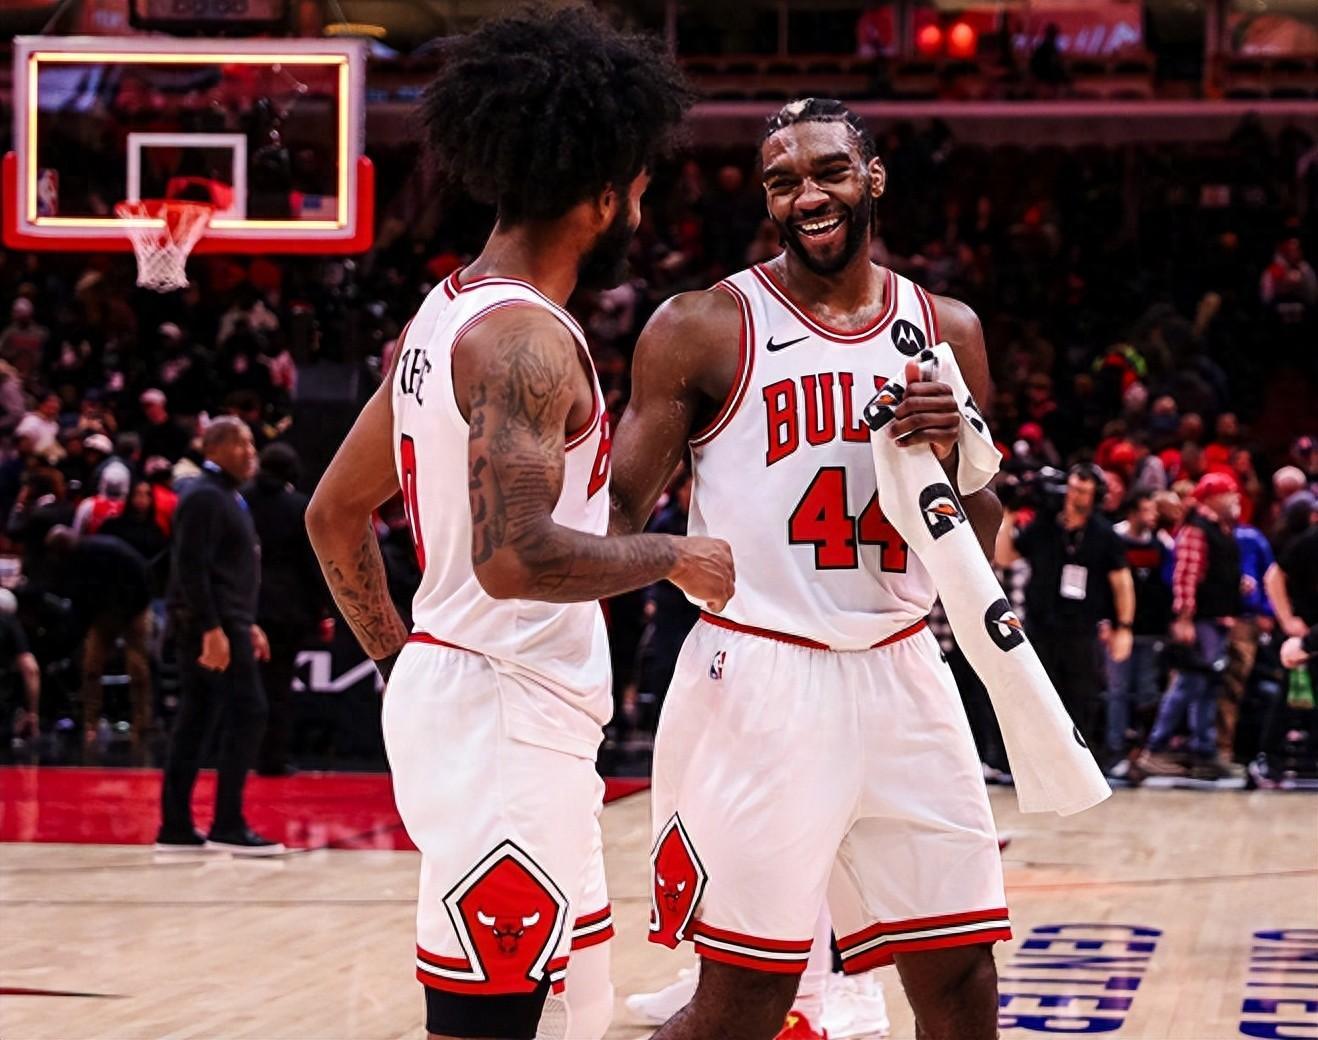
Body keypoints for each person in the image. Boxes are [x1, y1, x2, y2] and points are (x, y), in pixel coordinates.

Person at [305, 11, 722, 1040]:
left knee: (576, 1012)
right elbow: (515, 557)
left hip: (491, 700)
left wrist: (404, 661)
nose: (641, 208)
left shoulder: (440, 316)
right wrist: (675, 555)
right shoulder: (523, 341)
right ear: (601, 195)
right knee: (491, 1023)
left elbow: (335, 514)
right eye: (638, 188)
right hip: (503, 715)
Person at [609, 98, 1011, 1040]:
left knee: (961, 977)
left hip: (904, 665)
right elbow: (616, 514)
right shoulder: (702, 326)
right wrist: (669, 558)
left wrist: (955, 454)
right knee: (746, 1002)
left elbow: (980, 534)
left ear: (874, 177)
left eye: (829, 171)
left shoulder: (947, 328)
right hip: (764, 669)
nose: (808, 195)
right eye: (782, 181)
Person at [156, 417, 279, 855]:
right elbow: (190, 567)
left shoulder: (223, 494)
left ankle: (176, 826)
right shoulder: (204, 495)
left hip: (227, 623)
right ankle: (227, 822)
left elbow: (226, 571)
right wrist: (212, 628)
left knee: (198, 719)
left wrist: (248, 623)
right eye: (242, 443)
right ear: (214, 448)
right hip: (212, 627)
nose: (251, 453)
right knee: (248, 712)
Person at [998, 464, 1136, 755]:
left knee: (1080, 699)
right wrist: (1008, 514)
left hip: (1081, 632)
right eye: (1073, 489)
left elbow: (1122, 583)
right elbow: (1005, 557)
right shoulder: (1044, 525)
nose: (1076, 496)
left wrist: (1124, 627)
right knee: (1037, 697)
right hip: (1040, 627)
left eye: (1084, 491)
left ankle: (1080, 760)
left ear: (1096, 495)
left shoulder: (1104, 534)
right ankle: (1036, 759)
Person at [1136, 472, 1245, 781]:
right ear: (1213, 497)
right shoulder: (1197, 529)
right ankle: (1154, 750)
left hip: (1216, 619)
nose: (1235, 498)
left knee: (1208, 686)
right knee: (1189, 684)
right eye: (1230, 492)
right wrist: (1184, 619)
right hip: (1201, 621)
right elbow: (1185, 577)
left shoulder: (1219, 528)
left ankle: (1204, 752)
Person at [243, 442, 326, 777]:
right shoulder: (297, 507)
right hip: (285, 610)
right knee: (277, 686)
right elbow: (311, 565)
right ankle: (272, 757)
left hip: (243, 603)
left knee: (241, 683)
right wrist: (321, 611)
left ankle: (236, 754)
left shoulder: (241, 501)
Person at [46, 525, 153, 757]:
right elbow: (81, 600)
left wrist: (133, 609)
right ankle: (91, 724)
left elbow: (141, 574)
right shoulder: (73, 561)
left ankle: (142, 723)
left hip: (133, 610)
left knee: (138, 669)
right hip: (104, 615)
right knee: (91, 666)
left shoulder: (106, 549)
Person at [1104, 491, 1173, 775]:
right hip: (1119, 629)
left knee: (1148, 692)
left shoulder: (1161, 544)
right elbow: (1103, 587)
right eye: (1146, 510)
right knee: (1117, 691)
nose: (1153, 516)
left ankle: (1142, 751)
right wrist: (1106, 623)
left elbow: (1166, 588)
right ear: (1132, 512)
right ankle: (1114, 750)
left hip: (1151, 630)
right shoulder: (1113, 539)